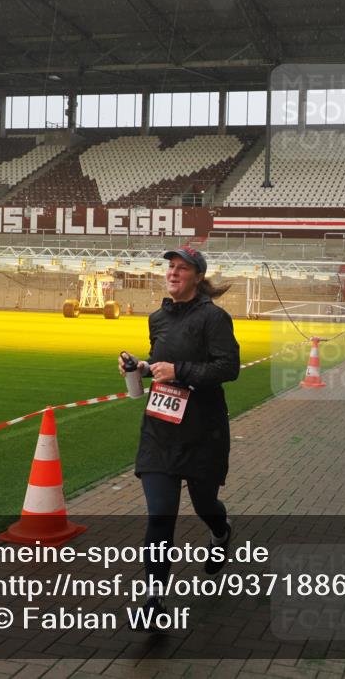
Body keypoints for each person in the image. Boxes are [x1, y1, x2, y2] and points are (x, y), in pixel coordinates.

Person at [118, 245, 240, 627]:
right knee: (160, 514)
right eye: (170, 266)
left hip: (203, 430)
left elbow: (229, 367)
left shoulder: (214, 318)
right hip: (160, 430)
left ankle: (220, 532)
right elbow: (160, 364)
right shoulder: (157, 318)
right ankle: (154, 601)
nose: (172, 273)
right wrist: (141, 367)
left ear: (198, 277)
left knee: (205, 505)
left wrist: (180, 370)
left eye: (182, 268)